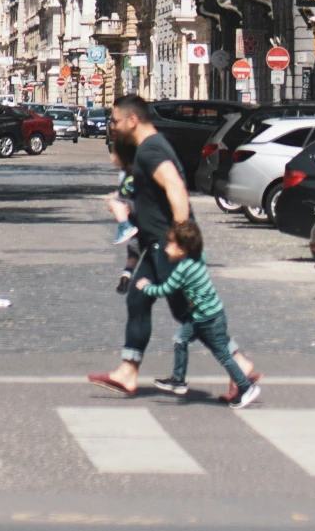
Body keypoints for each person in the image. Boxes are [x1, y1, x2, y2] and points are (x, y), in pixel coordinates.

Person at [88, 94, 190, 397]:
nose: (114, 127)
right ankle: (128, 372)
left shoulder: (150, 149)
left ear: (133, 120)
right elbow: (154, 200)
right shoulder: (148, 148)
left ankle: (239, 367)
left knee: (192, 314)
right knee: (137, 299)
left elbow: (176, 188)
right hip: (158, 242)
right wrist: (128, 211)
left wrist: (179, 238)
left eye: (116, 121)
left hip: (169, 243)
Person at [134, 216, 260, 405]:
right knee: (180, 339)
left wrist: (145, 286)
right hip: (203, 315)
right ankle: (178, 380)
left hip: (209, 319)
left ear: (182, 249)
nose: (166, 247)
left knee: (223, 355)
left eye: (170, 244)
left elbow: (164, 290)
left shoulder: (183, 269)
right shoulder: (198, 257)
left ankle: (246, 387)